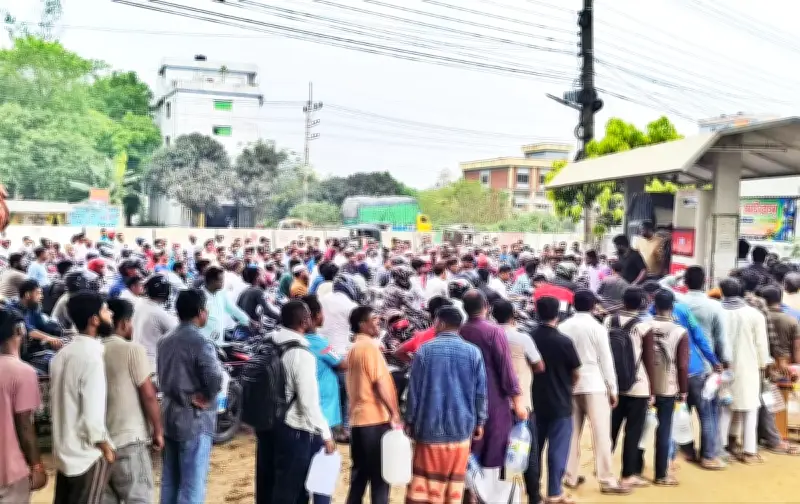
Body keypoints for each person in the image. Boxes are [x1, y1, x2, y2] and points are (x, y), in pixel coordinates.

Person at [405, 306, 487, 504]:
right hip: (461, 429)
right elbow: (480, 392)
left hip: (429, 429)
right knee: (454, 484)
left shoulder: (425, 351)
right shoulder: (473, 353)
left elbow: (414, 392)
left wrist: (410, 420)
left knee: (425, 484)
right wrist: (480, 421)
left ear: (440, 323)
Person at [558, 290, 628, 494]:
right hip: (595, 384)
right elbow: (606, 360)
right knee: (602, 434)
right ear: (592, 306)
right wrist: (613, 388)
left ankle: (570, 476)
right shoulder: (598, 327)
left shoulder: (563, 327)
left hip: (570, 385)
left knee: (571, 433)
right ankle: (606, 479)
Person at [266, 299, 335, 504]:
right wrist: (326, 434)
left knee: (277, 485)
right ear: (305, 321)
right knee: (294, 492)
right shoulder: (301, 354)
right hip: (295, 430)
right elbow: (308, 403)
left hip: (271, 423)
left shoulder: (271, 342)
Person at [157, 289, 222, 504]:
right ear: (200, 312)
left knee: (170, 479)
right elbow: (215, 377)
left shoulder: (165, 340)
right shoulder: (200, 342)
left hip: (169, 414)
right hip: (193, 418)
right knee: (192, 483)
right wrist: (206, 396)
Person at [51, 292, 115, 504]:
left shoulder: (62, 355)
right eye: (105, 310)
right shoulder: (91, 357)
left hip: (64, 454)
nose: (110, 313)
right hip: (87, 457)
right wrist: (105, 447)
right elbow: (92, 415)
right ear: (94, 320)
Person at [459, 290, 527, 487]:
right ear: (486, 307)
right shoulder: (494, 331)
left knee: (471, 453)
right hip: (493, 399)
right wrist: (518, 402)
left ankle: (471, 494)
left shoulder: (461, 331)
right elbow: (506, 368)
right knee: (494, 451)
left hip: (466, 399)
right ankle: (488, 492)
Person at [102, 298, 163, 504]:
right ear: (123, 323)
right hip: (129, 441)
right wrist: (158, 431)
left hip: (99, 445)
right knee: (139, 498)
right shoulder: (132, 350)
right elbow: (148, 395)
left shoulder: (93, 351)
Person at [344, 305, 401, 504]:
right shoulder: (369, 348)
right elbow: (380, 383)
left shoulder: (353, 348)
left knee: (359, 477)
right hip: (374, 420)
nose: (379, 322)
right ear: (362, 324)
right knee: (380, 478)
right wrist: (394, 413)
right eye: (374, 319)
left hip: (358, 421)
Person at [492, 299, 545, 502]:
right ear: (513, 316)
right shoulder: (522, 338)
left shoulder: (489, 337)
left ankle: (498, 495)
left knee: (497, 452)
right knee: (528, 450)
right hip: (522, 404)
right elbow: (539, 365)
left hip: (496, 406)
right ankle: (534, 496)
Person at [531, 296, 582, 503]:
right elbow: (576, 372)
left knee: (534, 450)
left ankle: (534, 492)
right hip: (560, 401)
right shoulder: (564, 341)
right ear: (558, 314)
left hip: (534, 401)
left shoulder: (530, 338)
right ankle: (554, 492)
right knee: (558, 450)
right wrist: (568, 386)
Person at [718, 278, 771, 464]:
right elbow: (761, 344)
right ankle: (749, 451)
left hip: (722, 366)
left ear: (722, 292)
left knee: (725, 407)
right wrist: (763, 364)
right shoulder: (754, 314)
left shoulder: (718, 311)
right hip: (749, 366)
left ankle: (721, 448)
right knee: (750, 408)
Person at [609, 287, 656, 489]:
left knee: (611, 429)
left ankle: (604, 470)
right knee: (633, 431)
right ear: (642, 304)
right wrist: (652, 390)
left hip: (614, 384)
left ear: (623, 301)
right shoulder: (644, 327)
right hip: (638, 386)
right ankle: (627, 475)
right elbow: (649, 360)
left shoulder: (608, 321)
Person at [0, 307, 46, 503]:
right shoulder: (23, 372)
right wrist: (37, 466)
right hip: (10, 471)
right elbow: (25, 425)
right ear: (19, 330)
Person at [647, 290, 690, 486]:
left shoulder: (644, 326)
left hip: (644, 385)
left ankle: (633, 469)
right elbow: (682, 365)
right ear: (672, 307)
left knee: (639, 427)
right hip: (667, 385)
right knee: (664, 429)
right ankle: (661, 474)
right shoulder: (679, 331)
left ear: (654, 306)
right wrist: (683, 390)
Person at [302, 295, 344, 444]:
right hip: (324, 406)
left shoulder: (299, 340)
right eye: (321, 311)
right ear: (315, 315)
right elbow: (342, 364)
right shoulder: (319, 343)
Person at [10, 280, 63, 372]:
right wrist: (49, 338)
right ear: (27, 294)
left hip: (33, 348)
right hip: (20, 354)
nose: (41, 296)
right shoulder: (13, 310)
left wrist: (56, 336)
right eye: (38, 293)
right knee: (53, 364)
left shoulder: (34, 307)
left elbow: (43, 325)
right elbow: (28, 330)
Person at [132, 274, 178, 368]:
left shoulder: (138, 304)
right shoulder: (159, 313)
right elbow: (179, 332)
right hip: (152, 364)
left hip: (136, 359)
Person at [201, 266, 254, 343]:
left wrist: (248, 321)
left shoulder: (221, 294)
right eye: (221, 280)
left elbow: (233, 309)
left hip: (219, 337)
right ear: (212, 281)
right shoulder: (199, 296)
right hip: (204, 339)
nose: (223, 282)